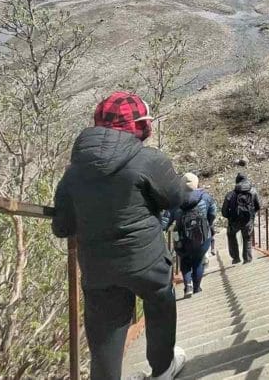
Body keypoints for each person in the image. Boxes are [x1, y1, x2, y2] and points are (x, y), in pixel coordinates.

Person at [52, 91, 188, 380]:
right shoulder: (147, 159)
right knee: (160, 299)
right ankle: (163, 368)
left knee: (105, 329)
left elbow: (61, 226)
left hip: (97, 267)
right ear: (138, 125)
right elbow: (175, 197)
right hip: (146, 260)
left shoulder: (74, 172)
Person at [165, 173, 216, 299]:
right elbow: (213, 212)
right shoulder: (205, 197)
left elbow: (166, 220)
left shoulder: (175, 201)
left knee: (185, 261)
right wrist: (208, 224)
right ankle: (197, 287)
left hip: (182, 239)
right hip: (202, 236)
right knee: (198, 261)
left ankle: (188, 285)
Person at [222, 160, 260, 265]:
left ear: (236, 182)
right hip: (248, 220)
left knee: (231, 235)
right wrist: (251, 215)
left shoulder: (230, 194)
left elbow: (224, 212)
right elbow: (258, 206)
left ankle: (236, 258)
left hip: (234, 221)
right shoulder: (253, 192)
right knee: (247, 238)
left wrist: (231, 217)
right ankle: (247, 259)